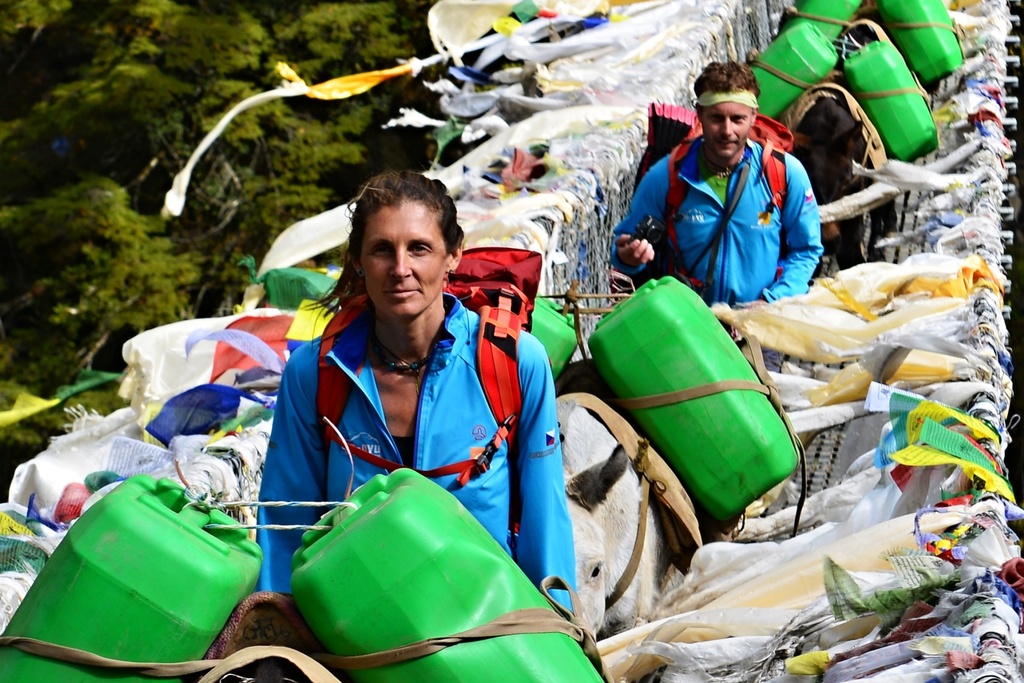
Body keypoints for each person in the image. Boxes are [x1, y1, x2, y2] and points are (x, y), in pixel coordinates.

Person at [256, 170, 576, 598]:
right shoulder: (316, 374)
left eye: (419, 248)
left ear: (453, 256)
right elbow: (285, 530)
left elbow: (545, 521)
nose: (400, 269)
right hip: (354, 624)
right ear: (358, 260)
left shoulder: (513, 363)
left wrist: (559, 627)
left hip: (486, 625)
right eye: (382, 250)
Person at [611, 61, 823, 305]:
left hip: (762, 323)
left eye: (737, 119)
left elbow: (806, 250)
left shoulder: (783, 173)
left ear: (754, 117)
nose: (727, 130)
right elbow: (623, 249)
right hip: (689, 325)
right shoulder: (666, 177)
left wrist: (773, 300)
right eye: (716, 118)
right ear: (699, 114)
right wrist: (629, 258)